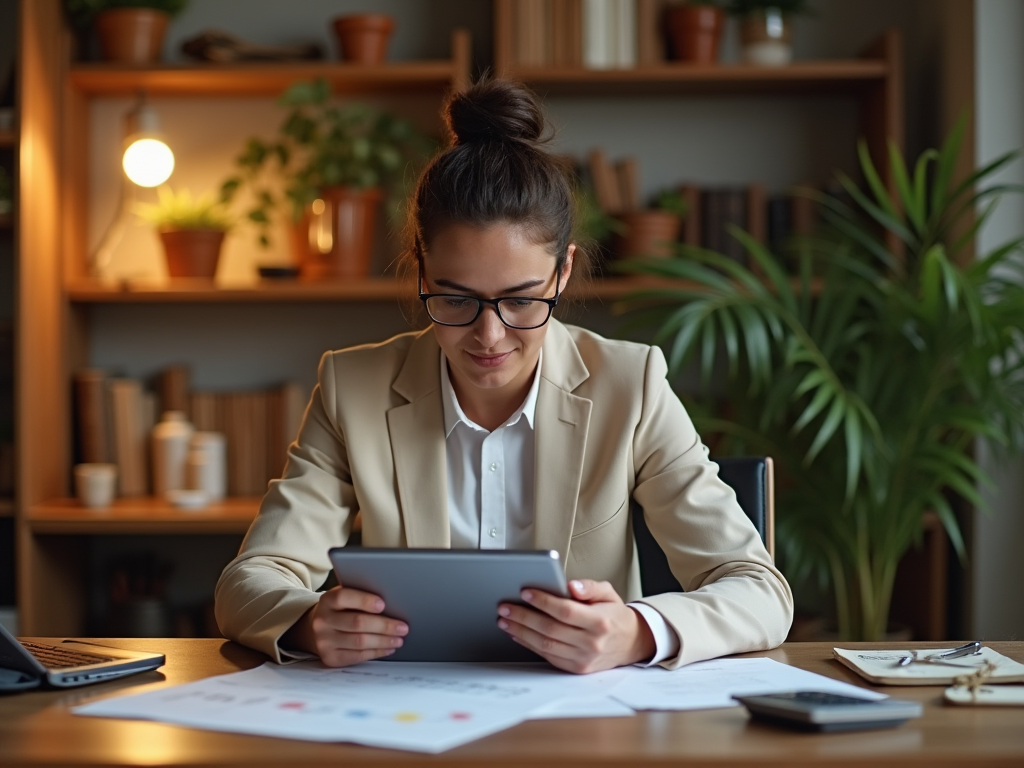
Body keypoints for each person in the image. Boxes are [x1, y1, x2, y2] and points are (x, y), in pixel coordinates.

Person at [215, 78, 793, 674]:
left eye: (520, 301)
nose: (489, 336)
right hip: (410, 719)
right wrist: (308, 623)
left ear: (563, 272)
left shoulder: (631, 384)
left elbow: (757, 589)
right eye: (456, 299)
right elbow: (249, 582)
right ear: (421, 266)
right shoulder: (351, 388)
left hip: (585, 728)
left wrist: (639, 633)